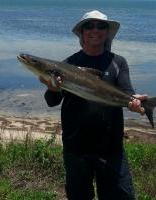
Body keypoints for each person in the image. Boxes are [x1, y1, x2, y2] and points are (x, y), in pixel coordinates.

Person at [39, 10, 146, 200]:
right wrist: (53, 88)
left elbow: (127, 94)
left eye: (101, 26)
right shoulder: (69, 64)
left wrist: (136, 102)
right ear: (81, 32)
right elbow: (51, 101)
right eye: (89, 26)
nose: (95, 30)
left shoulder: (118, 62)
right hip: (76, 147)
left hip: (111, 147)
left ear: (107, 32)